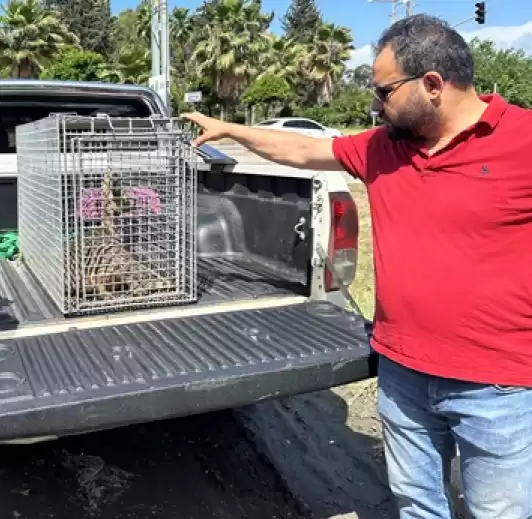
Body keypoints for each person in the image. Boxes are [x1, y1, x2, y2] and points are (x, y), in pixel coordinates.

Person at [182, 13, 532, 519]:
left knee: (499, 513)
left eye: (384, 90)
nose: (375, 103)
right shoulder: (382, 148)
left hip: (496, 383)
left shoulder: (522, 141)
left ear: (432, 84)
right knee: (417, 505)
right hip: (401, 370)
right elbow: (302, 149)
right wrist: (230, 128)